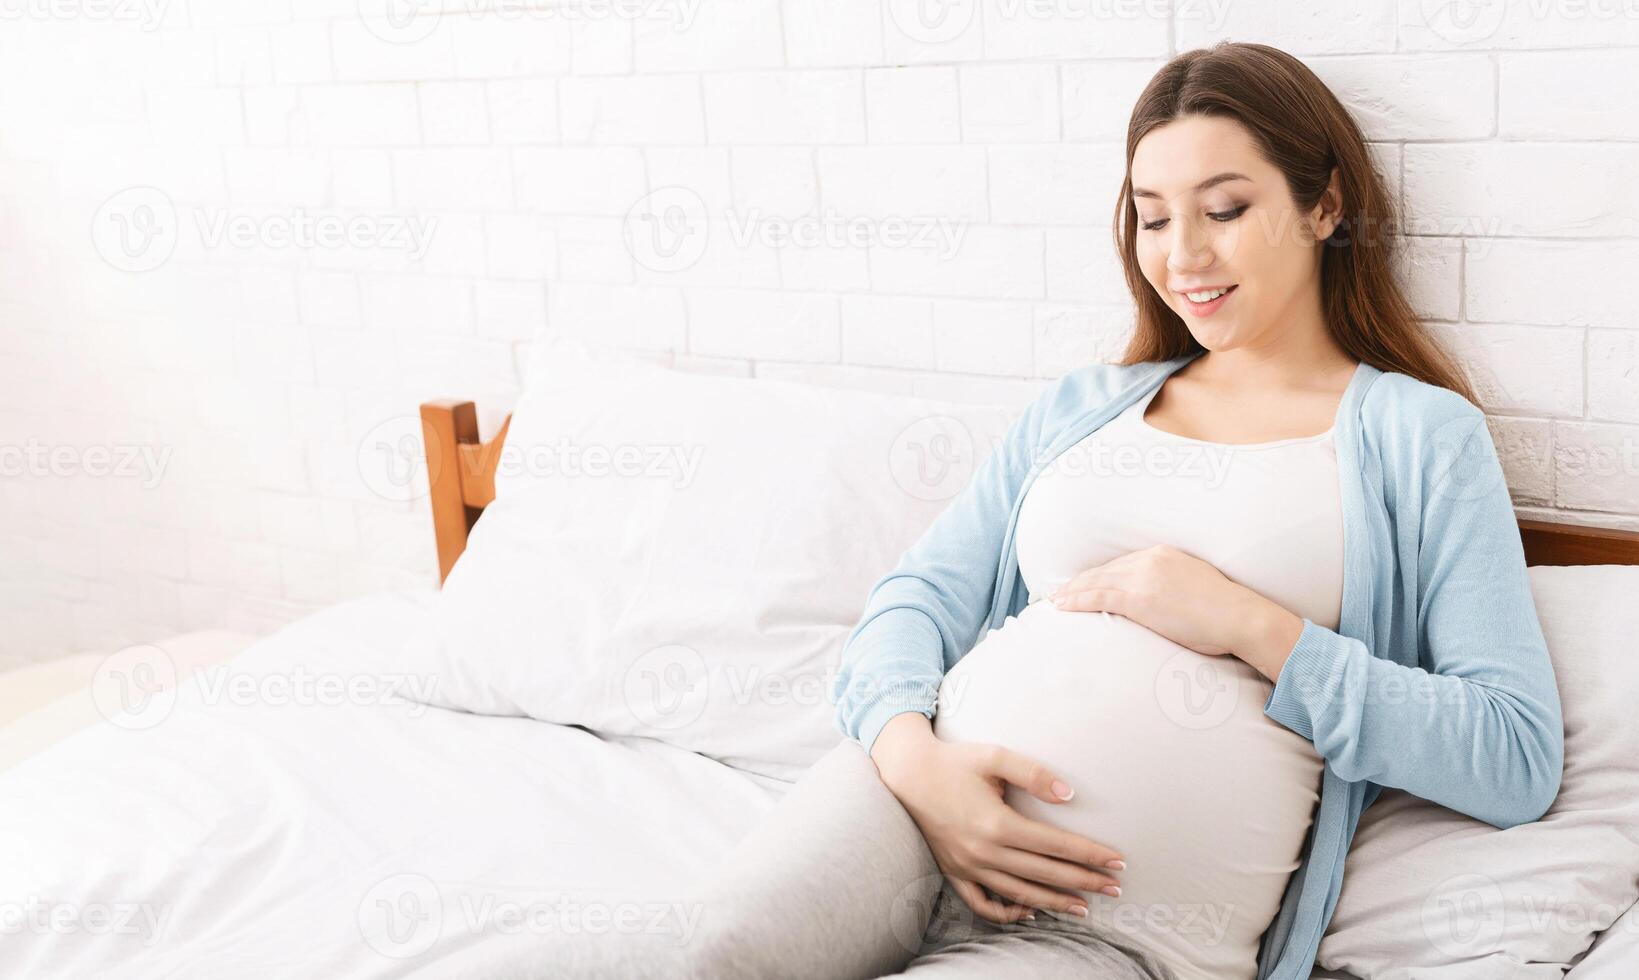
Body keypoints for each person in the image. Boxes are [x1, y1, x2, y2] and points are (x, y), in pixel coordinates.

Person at [461, 40, 1564, 980]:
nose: (1183, 255)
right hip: (904, 808)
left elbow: (1510, 757)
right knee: (696, 954)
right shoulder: (1085, 407)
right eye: (1151, 216)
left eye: (1225, 210)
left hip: (1107, 921)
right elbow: (911, 602)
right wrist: (914, 760)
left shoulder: (1418, 437)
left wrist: (1242, 620)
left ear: (1324, 204)